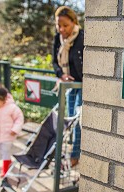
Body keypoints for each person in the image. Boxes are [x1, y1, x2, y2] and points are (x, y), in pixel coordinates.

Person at [53, 6, 84, 167]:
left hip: (83, 85)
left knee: (79, 119)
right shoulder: (57, 39)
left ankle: (75, 154)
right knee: (71, 118)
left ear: (73, 22)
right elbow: (54, 62)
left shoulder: (82, 37)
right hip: (68, 85)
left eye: (65, 25)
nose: (61, 29)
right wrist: (61, 75)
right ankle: (74, 150)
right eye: (59, 25)